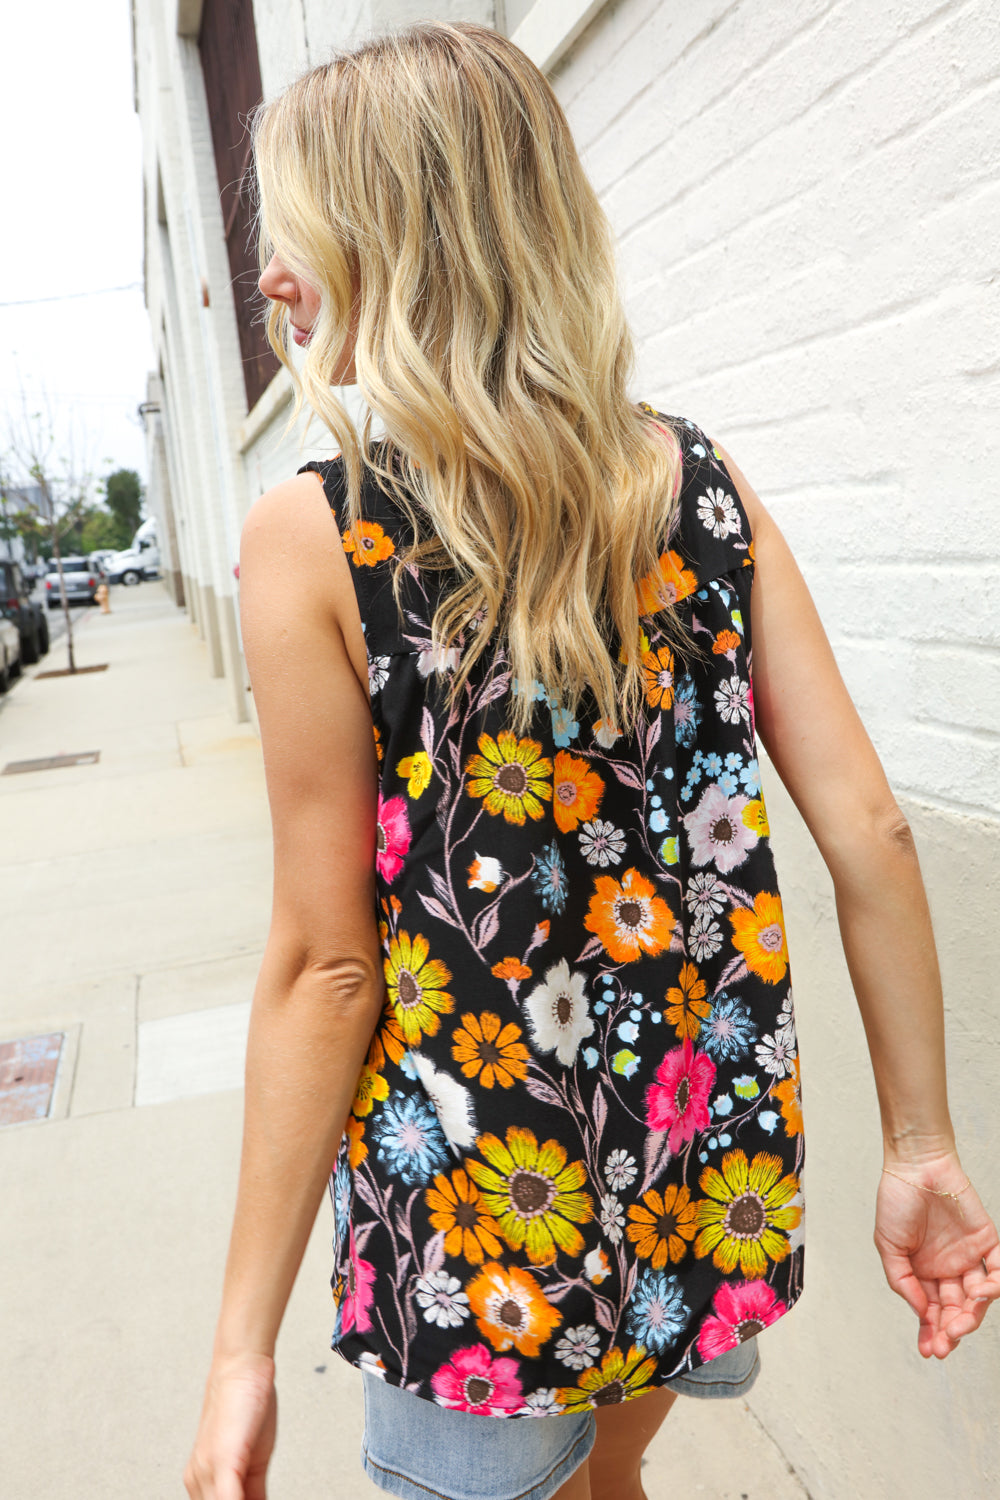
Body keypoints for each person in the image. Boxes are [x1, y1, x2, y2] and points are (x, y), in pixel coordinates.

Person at [183, 21, 1000, 1500]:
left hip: (482, 1239)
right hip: (694, 1182)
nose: (271, 278)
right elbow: (871, 831)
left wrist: (240, 1348)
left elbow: (329, 966)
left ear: (397, 241)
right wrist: (922, 1143)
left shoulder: (317, 535)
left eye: (295, 234)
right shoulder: (702, 487)